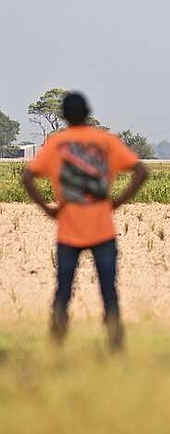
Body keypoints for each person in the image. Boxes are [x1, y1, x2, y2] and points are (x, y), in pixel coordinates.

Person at [21, 92, 149, 351]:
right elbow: (141, 171)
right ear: (88, 112)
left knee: (63, 290)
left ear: (64, 116)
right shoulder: (105, 141)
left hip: (68, 231)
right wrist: (117, 201)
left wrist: (48, 209)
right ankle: (115, 343)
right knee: (108, 290)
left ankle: (56, 343)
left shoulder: (57, 144)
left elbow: (28, 176)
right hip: (103, 229)